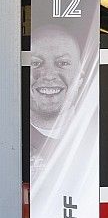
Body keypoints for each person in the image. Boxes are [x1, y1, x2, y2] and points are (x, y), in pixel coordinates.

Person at [29, 25, 83, 176]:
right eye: (36, 63)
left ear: (81, 74)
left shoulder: (97, 134)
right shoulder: (10, 138)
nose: (48, 75)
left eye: (63, 63)